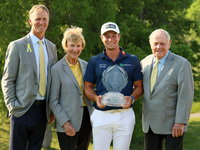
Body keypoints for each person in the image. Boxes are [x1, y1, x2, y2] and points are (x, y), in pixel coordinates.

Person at [1, 4, 57, 150]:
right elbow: (7, 79)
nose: (41, 22)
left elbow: (53, 80)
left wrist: (51, 108)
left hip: (42, 111)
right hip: (21, 109)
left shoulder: (51, 48)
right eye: (38, 19)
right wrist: (12, 106)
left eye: (44, 19)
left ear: (48, 21)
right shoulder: (17, 46)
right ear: (30, 21)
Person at [84, 22, 143, 150]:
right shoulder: (94, 61)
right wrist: (96, 99)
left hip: (125, 115)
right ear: (101, 38)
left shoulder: (132, 60)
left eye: (114, 35)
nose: (111, 39)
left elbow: (139, 86)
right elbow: (87, 87)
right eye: (107, 36)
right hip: (101, 114)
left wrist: (131, 99)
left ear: (119, 36)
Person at [141, 29, 194, 150]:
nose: (159, 47)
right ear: (150, 44)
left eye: (162, 43)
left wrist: (180, 122)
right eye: (155, 43)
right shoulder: (144, 63)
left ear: (169, 43)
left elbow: (185, 94)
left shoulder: (182, 63)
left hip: (173, 124)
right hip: (150, 123)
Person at [49, 26, 93, 150]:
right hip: (68, 121)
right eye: (72, 45)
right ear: (65, 46)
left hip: (87, 119)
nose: (75, 49)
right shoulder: (56, 69)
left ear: (82, 46)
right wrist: (64, 122)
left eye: (78, 46)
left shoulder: (86, 65)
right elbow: (53, 101)